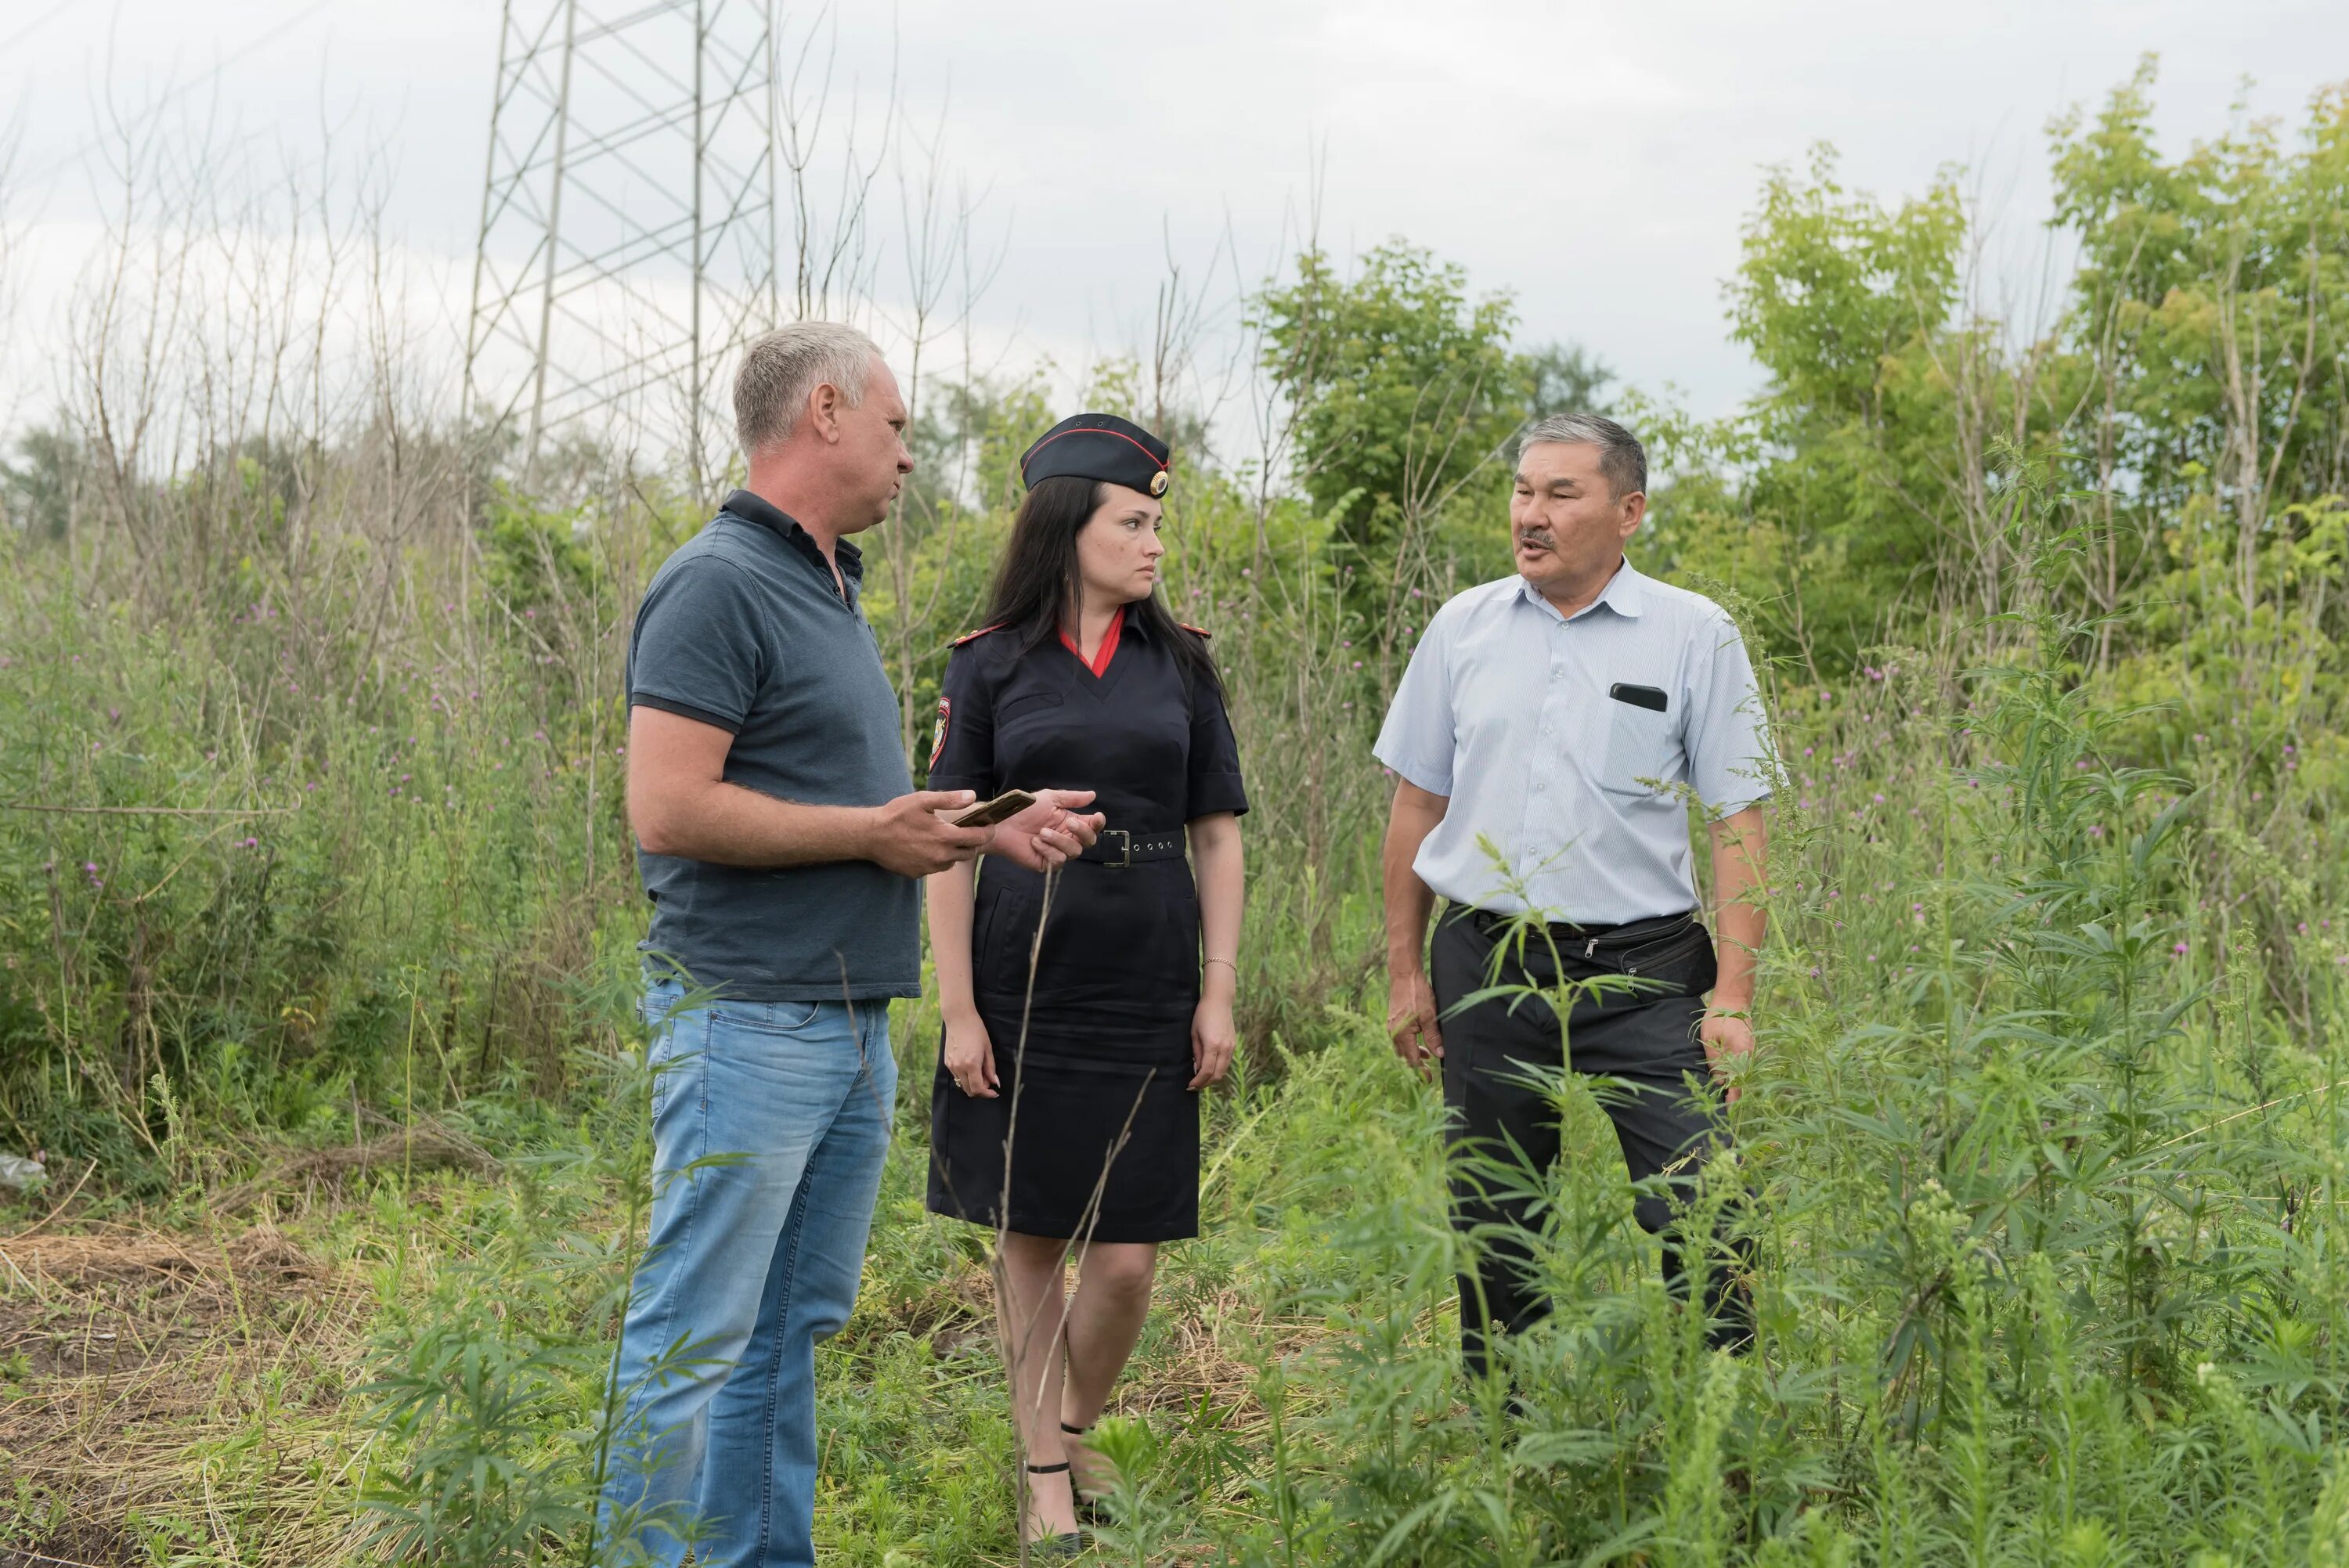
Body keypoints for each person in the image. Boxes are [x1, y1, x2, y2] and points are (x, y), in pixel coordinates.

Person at [603, 322, 1104, 1568]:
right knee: (695, 1331)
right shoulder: (718, 578)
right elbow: (668, 806)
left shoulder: (827, 580)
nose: (910, 456)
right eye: (897, 427)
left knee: (786, 1325)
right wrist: (870, 833)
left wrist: (977, 828)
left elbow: (852, 818)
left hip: (843, 1020)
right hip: (747, 1016)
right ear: (823, 411)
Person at [1373, 412, 1771, 1380]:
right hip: (1485, 963)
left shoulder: (1694, 634)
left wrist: (1732, 997)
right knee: (1496, 1222)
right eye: (1522, 491)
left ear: (1628, 511)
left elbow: (1738, 824)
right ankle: (1513, 1438)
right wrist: (1403, 971)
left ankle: (1724, 1428)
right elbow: (1416, 801)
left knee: (1709, 1208)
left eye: (1562, 493)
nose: (1532, 514)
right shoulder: (1462, 627)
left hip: (1646, 970)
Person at [923, 413, 1248, 1552]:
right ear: (1071, 527)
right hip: (1027, 970)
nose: (1157, 541)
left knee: (1126, 1253)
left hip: (1150, 967)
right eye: (1136, 521)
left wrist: (1218, 988)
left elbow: (1218, 835)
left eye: (1159, 521)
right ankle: (1044, 1478)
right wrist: (959, 1006)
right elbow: (952, 838)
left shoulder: (1182, 660)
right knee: (1029, 1236)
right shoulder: (991, 661)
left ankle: (1067, 1419)